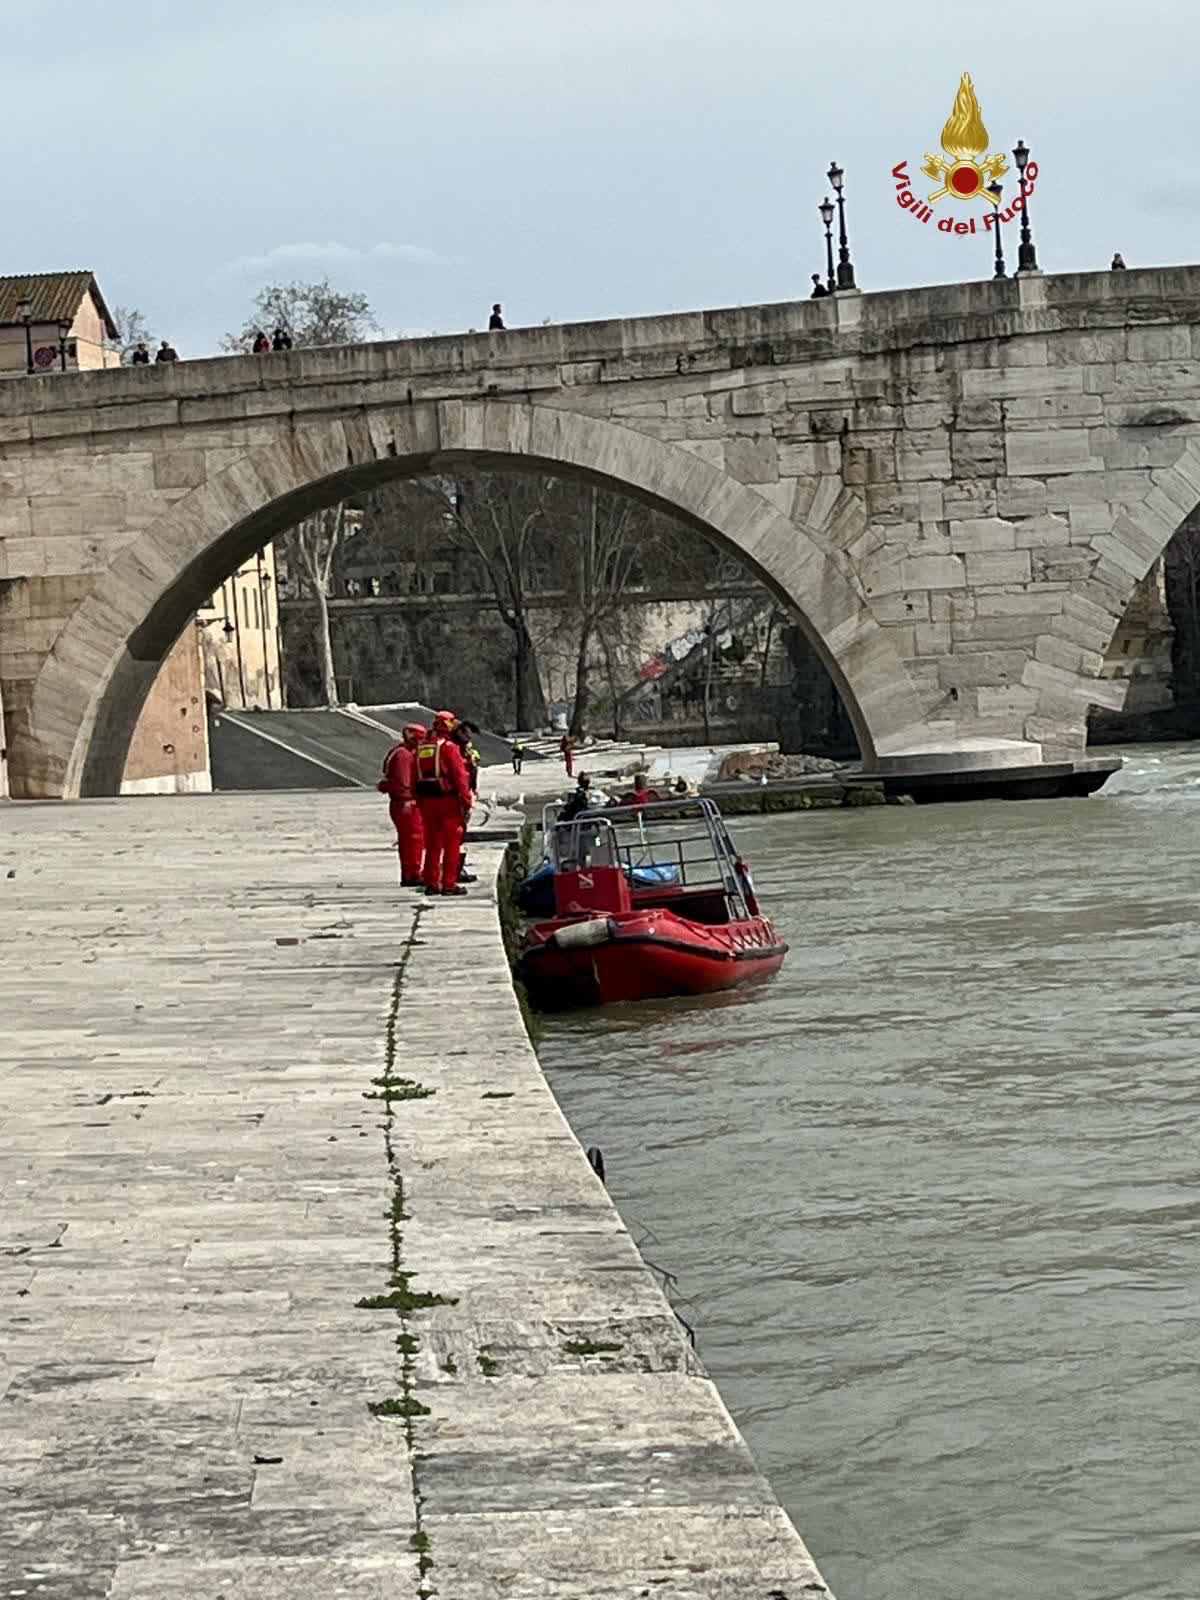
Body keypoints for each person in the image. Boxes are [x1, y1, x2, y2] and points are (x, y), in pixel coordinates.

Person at [414, 711, 472, 896]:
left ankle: (432, 882)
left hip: (426, 801)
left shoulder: (422, 748)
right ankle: (449, 884)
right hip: (448, 801)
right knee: (451, 843)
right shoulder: (449, 747)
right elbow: (460, 776)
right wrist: (467, 800)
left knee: (432, 843)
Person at [377, 722, 426, 886]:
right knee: (413, 839)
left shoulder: (399, 752)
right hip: (406, 804)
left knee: (408, 840)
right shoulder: (404, 756)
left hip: (402, 803)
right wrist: (410, 800)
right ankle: (413, 873)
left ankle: (410, 872)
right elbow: (404, 783)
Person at [452, 721, 482, 884]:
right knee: (456, 836)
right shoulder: (454, 751)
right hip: (456, 799)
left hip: (464, 795)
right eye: (468, 736)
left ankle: (455, 869)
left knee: (458, 835)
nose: (470, 740)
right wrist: (466, 799)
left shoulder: (464, 751)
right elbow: (461, 776)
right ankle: (455, 871)